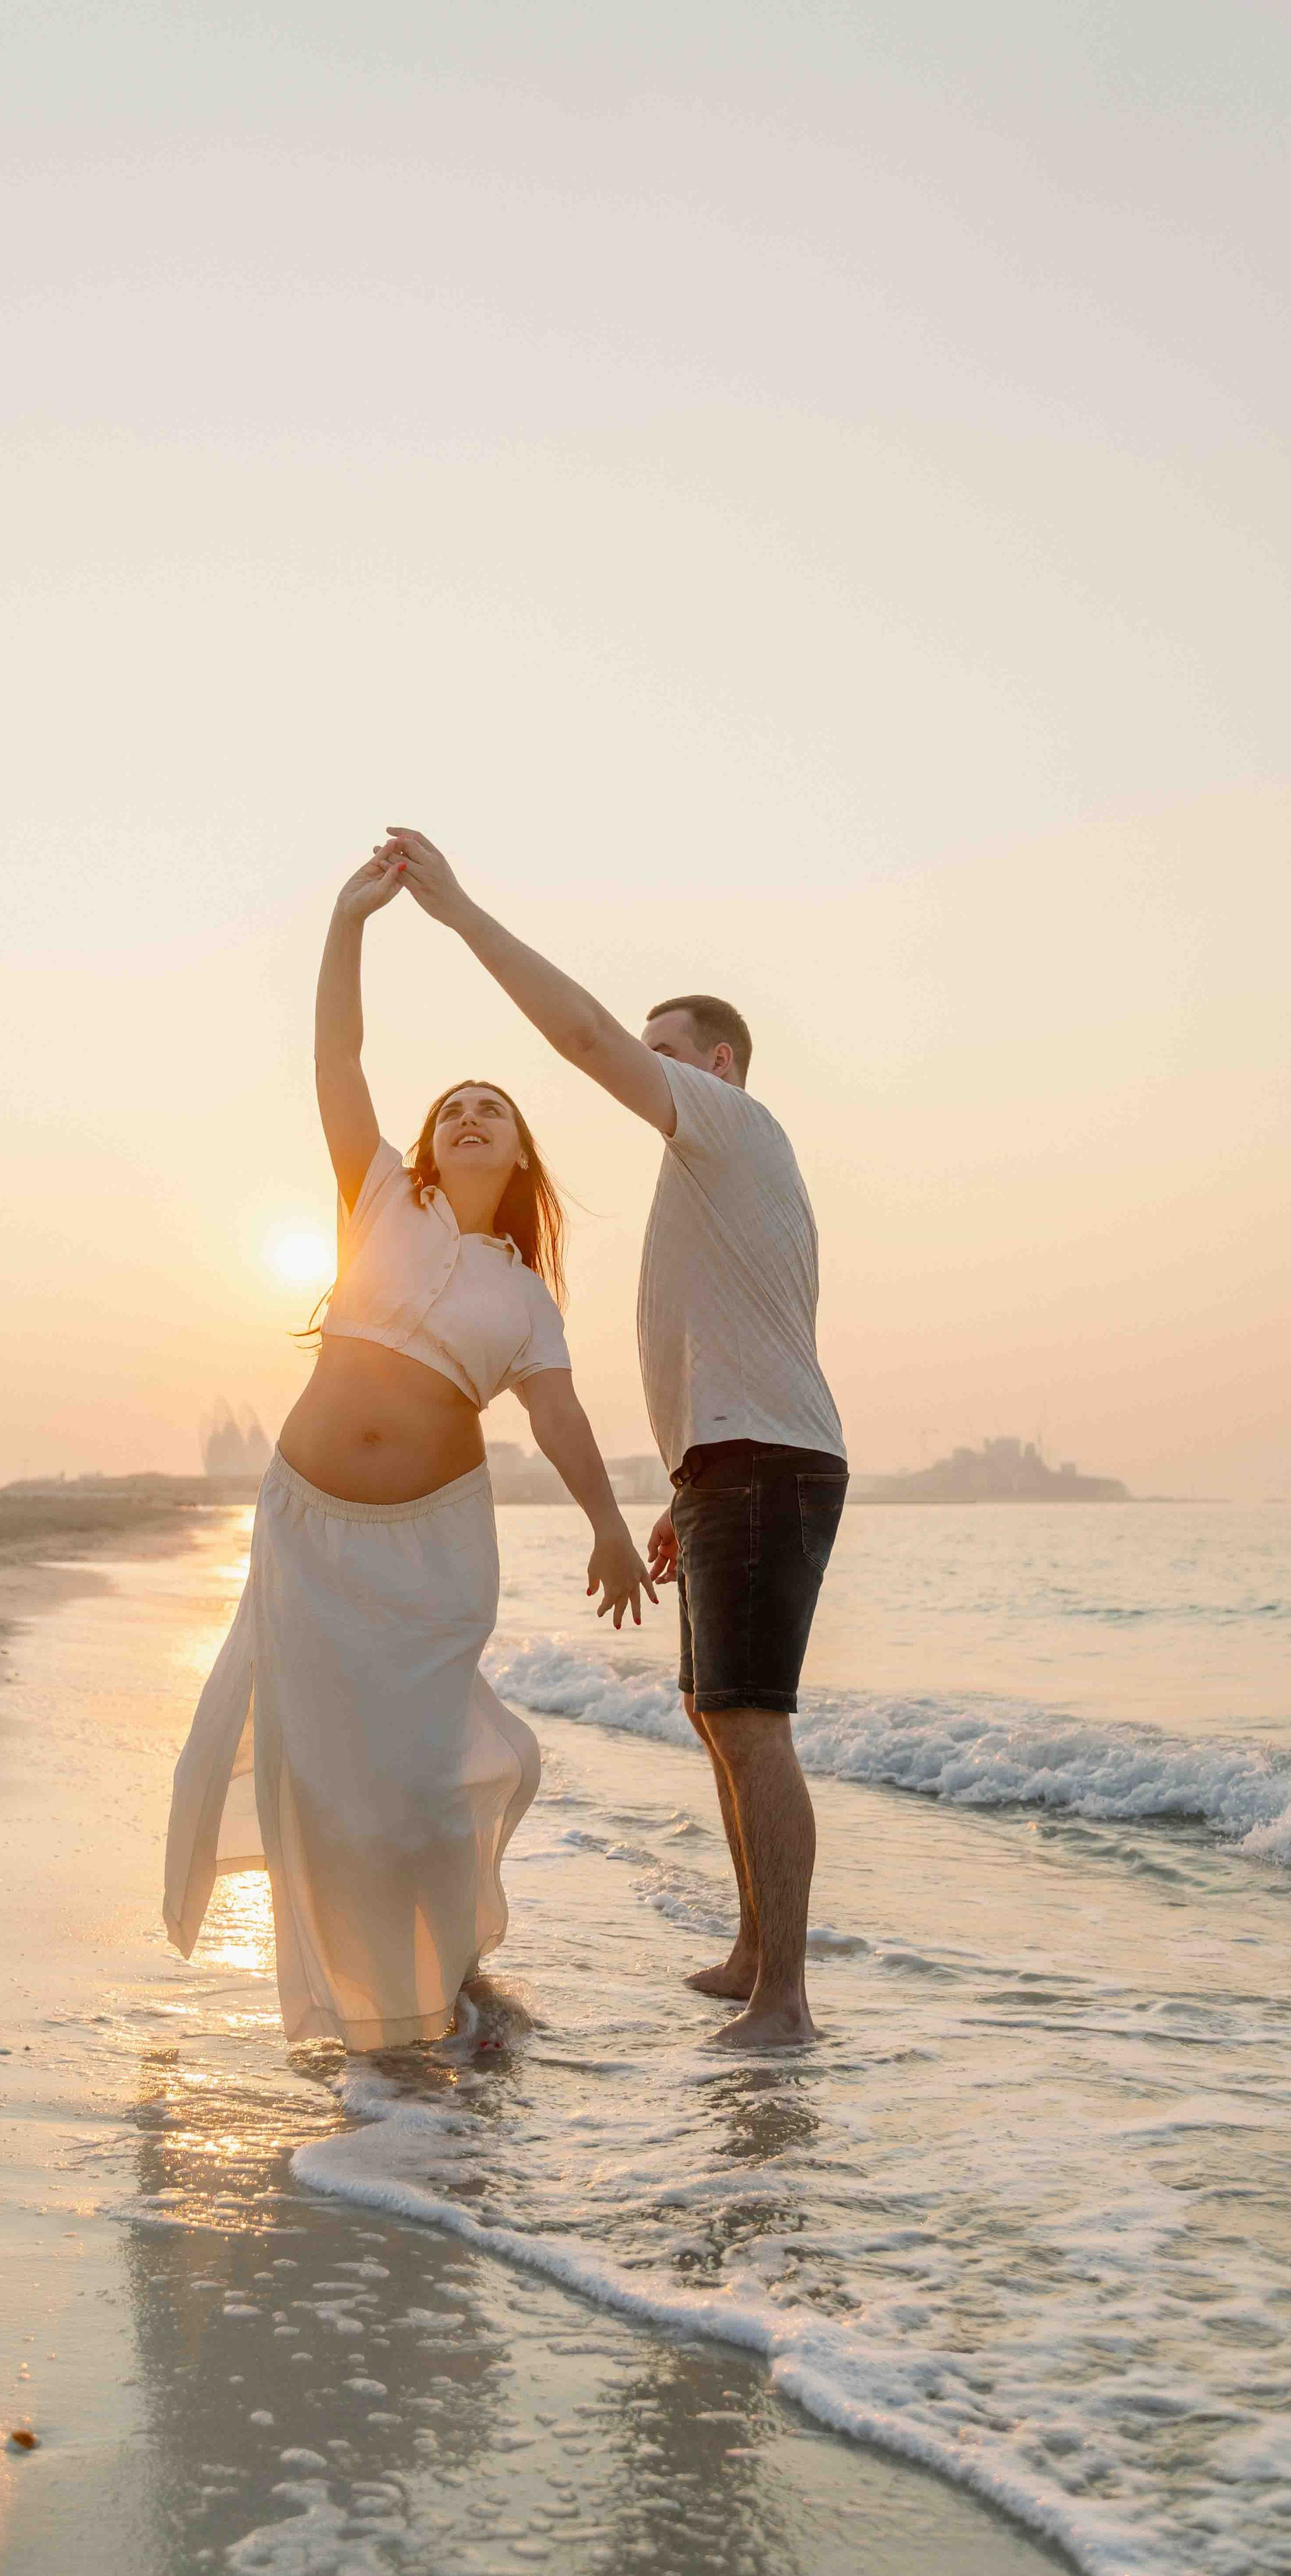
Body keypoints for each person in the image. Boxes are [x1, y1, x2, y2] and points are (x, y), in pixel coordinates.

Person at [163, 853, 654, 2050]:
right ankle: (377, 2012)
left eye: (494, 1109)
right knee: (329, 1786)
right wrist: (349, 923)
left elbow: (560, 1419)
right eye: (453, 1109)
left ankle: (449, 1973)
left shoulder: (526, 1297)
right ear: (431, 1144)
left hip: (433, 1553)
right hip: (308, 1528)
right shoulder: (381, 1197)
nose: (470, 1115)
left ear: (521, 1155)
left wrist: (607, 1525)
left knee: (422, 1785)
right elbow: (338, 1059)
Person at [378, 827, 847, 2050]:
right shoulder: (713, 1167)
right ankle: (752, 1955)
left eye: (665, 1053)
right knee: (713, 1713)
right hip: (733, 1462)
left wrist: (461, 915)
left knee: (752, 1720)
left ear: (718, 1063)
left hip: (766, 1465)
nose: (646, 1071)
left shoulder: (730, 1124)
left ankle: (787, 2003)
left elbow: (583, 1037)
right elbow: (742, 1340)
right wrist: (686, 1484)